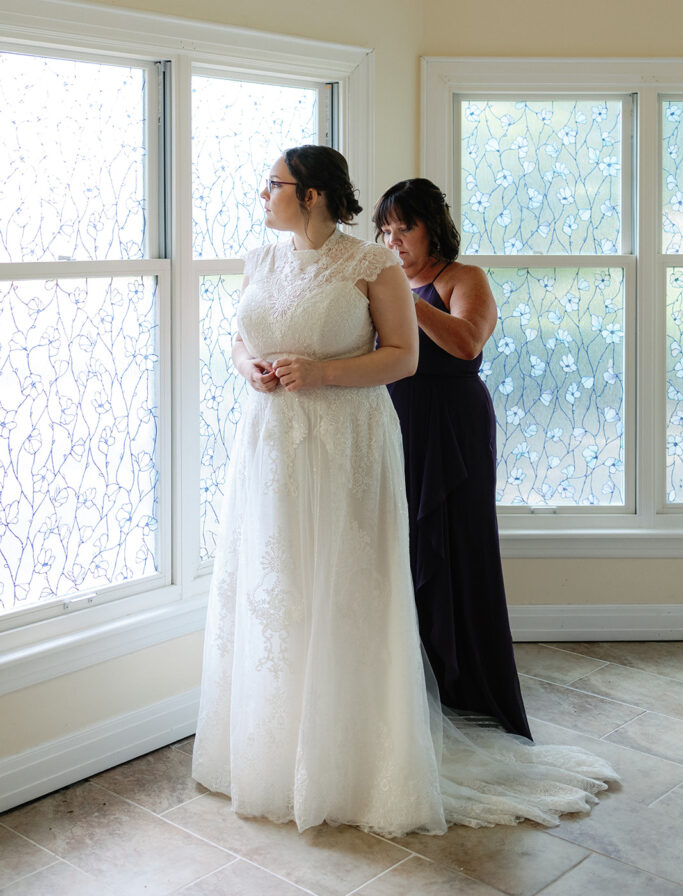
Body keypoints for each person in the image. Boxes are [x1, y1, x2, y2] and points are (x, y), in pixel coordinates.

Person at [193, 147, 617, 837]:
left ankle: (357, 751)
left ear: (313, 196)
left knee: (351, 583)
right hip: (270, 444)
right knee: (279, 587)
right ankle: (275, 745)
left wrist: (322, 374)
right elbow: (238, 338)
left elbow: (406, 356)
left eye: (274, 184)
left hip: (346, 441)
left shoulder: (372, 266)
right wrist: (252, 368)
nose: (262, 193)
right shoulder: (260, 259)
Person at [375, 178, 531, 739]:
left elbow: (468, 341)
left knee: (458, 549)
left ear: (431, 227)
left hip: (455, 426)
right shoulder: (383, 279)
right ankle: (414, 689)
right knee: (405, 550)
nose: (394, 241)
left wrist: (404, 299)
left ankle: (470, 690)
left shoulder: (465, 279)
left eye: (404, 228)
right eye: (385, 231)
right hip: (396, 425)